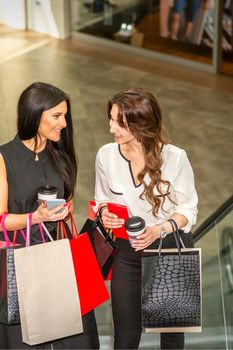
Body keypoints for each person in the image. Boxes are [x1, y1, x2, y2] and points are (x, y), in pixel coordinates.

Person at [94, 87, 198, 349]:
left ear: (142, 125)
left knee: (171, 333)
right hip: (127, 251)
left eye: (120, 122)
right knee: (125, 336)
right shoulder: (106, 155)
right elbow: (102, 200)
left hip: (170, 248)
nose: (111, 128)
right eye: (111, 119)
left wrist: (158, 229)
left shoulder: (175, 158)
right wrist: (105, 214)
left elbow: (188, 210)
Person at [0, 82, 99, 349]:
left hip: (59, 258)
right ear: (34, 115)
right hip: (19, 263)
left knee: (72, 337)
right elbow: (1, 220)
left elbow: (67, 205)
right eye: (56, 116)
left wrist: (64, 212)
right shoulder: (4, 157)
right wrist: (37, 217)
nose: (64, 123)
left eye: (65, 115)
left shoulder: (62, 155)